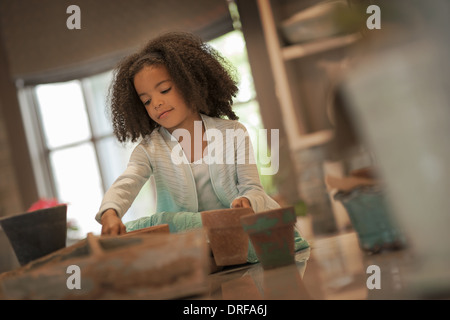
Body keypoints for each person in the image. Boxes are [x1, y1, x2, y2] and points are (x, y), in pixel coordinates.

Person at [95, 31, 280, 236]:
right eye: (146, 101)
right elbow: (127, 183)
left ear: (190, 83)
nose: (156, 103)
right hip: (189, 241)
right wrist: (110, 212)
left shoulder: (233, 133)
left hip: (238, 231)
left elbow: (253, 188)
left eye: (164, 90)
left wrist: (247, 201)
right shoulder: (149, 149)